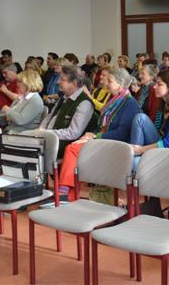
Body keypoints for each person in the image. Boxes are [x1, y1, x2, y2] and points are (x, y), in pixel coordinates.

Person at [56, 67, 140, 201]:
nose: (106, 83)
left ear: (121, 84)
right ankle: (67, 192)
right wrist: (91, 134)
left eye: (110, 81)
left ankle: (65, 192)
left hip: (116, 145)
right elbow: (102, 125)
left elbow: (121, 134)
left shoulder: (130, 104)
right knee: (74, 146)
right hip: (105, 140)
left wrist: (96, 136)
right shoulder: (114, 100)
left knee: (72, 149)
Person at [31, 65, 95, 157]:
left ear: (74, 83)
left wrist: (45, 133)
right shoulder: (63, 97)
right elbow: (49, 117)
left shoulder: (84, 103)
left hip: (60, 147)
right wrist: (40, 131)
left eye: (62, 79)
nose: (58, 82)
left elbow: (73, 133)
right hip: (47, 141)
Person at [0, 69, 44, 134]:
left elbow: (20, 120)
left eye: (19, 81)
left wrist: (7, 110)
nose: (17, 83)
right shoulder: (21, 97)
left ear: (28, 83)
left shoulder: (35, 100)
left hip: (21, 134)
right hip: (11, 131)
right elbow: (11, 117)